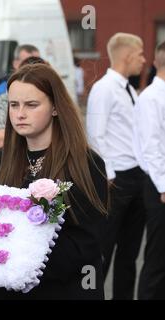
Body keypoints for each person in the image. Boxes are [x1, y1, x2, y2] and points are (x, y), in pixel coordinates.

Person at [0, 63, 108, 299]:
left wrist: (22, 256)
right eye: (14, 105)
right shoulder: (2, 160)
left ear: (54, 107)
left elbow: (89, 242)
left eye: (32, 105)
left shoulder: (85, 162)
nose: (20, 113)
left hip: (65, 289)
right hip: (9, 289)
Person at [86, 32, 146, 300]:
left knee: (130, 253)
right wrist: (107, 176)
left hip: (137, 176)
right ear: (127, 56)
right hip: (115, 179)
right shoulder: (104, 88)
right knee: (104, 249)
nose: (144, 60)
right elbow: (95, 134)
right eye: (141, 54)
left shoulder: (130, 89)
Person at [135, 40, 165, 300]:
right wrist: (163, 187)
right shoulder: (151, 97)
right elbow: (150, 147)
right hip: (159, 187)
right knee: (157, 256)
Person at [0, 45, 40, 151]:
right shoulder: (2, 94)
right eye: (27, 62)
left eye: (37, 62)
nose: (32, 67)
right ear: (16, 63)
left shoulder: (49, 93)